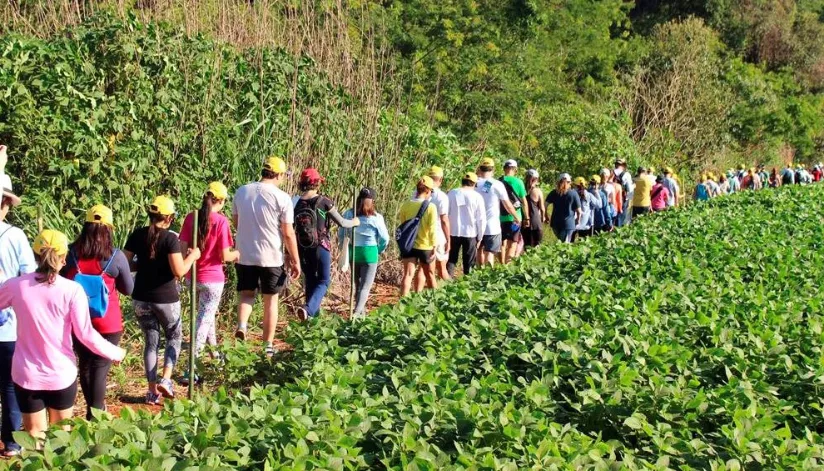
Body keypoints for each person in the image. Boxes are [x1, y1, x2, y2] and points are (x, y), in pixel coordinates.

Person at [0, 230, 126, 440]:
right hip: (61, 375)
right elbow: (86, 334)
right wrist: (115, 352)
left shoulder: (16, 286)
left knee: (34, 437)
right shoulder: (72, 290)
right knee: (60, 439)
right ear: (63, 258)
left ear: (35, 256)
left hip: (26, 375)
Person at [125, 196, 200, 404]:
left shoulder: (137, 235)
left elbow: (126, 263)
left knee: (151, 341)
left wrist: (145, 265)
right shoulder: (169, 239)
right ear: (168, 218)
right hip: (165, 298)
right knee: (174, 336)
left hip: (141, 297)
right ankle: (166, 380)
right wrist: (193, 257)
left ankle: (151, 392)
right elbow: (179, 271)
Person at [60, 205, 133, 420]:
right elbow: (128, 289)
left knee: (85, 365)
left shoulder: (71, 253)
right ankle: (96, 414)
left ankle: (92, 412)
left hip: (79, 320)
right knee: (100, 369)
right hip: (108, 322)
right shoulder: (115, 257)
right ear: (109, 229)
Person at [233, 157, 301, 357]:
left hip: (245, 254)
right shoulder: (282, 198)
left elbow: (236, 222)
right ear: (279, 175)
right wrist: (294, 259)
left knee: (246, 294)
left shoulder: (241, 191)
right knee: (271, 301)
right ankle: (267, 345)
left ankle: (242, 325)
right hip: (271, 256)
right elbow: (288, 233)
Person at [178, 182, 238, 376]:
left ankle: (216, 358)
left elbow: (182, 249)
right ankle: (192, 366)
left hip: (193, 276)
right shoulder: (221, 222)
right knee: (203, 320)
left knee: (207, 315)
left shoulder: (191, 217)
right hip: (213, 279)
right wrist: (237, 254)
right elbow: (224, 256)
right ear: (219, 201)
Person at [0, 146, 35, 456]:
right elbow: (29, 278)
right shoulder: (15, 236)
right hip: (9, 327)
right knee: (10, 386)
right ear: (6, 204)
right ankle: (12, 443)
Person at [293, 168, 359, 321]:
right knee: (323, 281)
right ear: (317, 184)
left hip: (302, 247)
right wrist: (355, 222)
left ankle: (310, 320)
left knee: (310, 280)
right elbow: (342, 222)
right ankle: (308, 310)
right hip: (320, 246)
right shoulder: (324, 202)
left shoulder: (296, 202)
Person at [339, 188, 390, 319]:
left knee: (357, 284)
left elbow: (341, 233)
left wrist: (342, 248)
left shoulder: (349, 214)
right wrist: (380, 249)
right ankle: (357, 312)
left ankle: (360, 313)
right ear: (372, 201)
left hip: (353, 252)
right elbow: (384, 238)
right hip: (370, 252)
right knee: (365, 287)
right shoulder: (376, 218)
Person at [475, 157, 520, 267]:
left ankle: (477, 274)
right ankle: (487, 277)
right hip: (492, 226)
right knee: (489, 253)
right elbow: (507, 204)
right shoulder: (496, 184)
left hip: (476, 225)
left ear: (480, 169)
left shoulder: (474, 183)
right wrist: (516, 216)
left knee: (478, 250)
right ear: (493, 170)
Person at [399, 176, 439, 296]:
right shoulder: (431, 207)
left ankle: (402, 304)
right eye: (431, 191)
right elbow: (432, 228)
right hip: (425, 246)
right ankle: (436, 301)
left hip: (409, 246)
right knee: (430, 275)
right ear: (427, 191)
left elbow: (403, 225)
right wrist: (434, 245)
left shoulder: (406, 205)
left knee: (407, 275)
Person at [415, 166, 450, 289]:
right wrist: (448, 240)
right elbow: (444, 220)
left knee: (421, 268)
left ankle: (416, 296)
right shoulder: (441, 196)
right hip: (437, 235)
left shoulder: (416, 192)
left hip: (419, 234)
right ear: (440, 179)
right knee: (441, 269)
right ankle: (451, 292)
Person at [446, 173, 486, 276]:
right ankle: (467, 282)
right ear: (474, 184)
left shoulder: (452, 193)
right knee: (469, 261)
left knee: (451, 259)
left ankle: (447, 280)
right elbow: (481, 219)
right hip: (470, 232)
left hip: (453, 231)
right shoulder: (477, 197)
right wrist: (480, 237)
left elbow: (446, 213)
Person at [499, 160, 528, 264]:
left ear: (504, 168)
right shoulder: (519, 182)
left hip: (500, 217)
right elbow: (524, 201)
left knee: (502, 244)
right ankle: (507, 266)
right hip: (515, 218)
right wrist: (527, 217)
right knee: (512, 244)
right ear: (515, 169)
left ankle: (502, 264)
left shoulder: (498, 181)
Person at [545, 173, 581, 243]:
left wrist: (546, 216)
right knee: (564, 246)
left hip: (555, 224)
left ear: (558, 182)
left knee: (560, 243)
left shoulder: (554, 193)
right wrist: (578, 220)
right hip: (568, 224)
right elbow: (579, 211)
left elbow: (545, 206)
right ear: (570, 182)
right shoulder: (573, 194)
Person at [522, 169, 545, 248]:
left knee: (527, 246)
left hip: (525, 221)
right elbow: (542, 208)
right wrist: (542, 218)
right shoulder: (538, 191)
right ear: (537, 179)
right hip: (536, 222)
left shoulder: (523, 190)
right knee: (537, 246)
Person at [613, 159, 634, 226]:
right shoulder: (626, 174)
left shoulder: (610, 172)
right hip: (622, 198)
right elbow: (629, 189)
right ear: (623, 165)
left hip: (611, 198)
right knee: (621, 217)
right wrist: (634, 185)